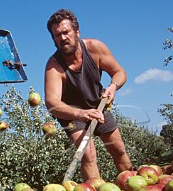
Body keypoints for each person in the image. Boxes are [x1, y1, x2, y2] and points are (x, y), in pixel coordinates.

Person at [44, 9, 132, 180]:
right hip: (72, 113)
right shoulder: (54, 66)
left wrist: (113, 86)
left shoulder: (95, 48)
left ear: (77, 32)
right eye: (57, 35)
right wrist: (81, 114)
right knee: (88, 154)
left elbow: (119, 72)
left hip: (98, 106)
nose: (62, 38)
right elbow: (52, 103)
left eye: (66, 32)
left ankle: (132, 185)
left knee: (118, 149)